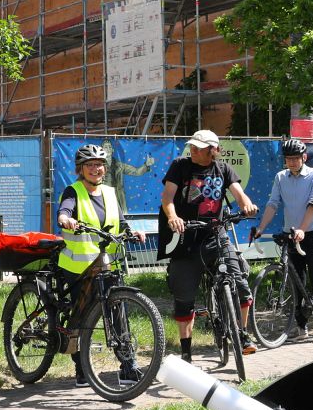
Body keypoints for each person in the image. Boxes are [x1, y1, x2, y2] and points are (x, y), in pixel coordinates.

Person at [159, 130, 259, 361]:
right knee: (184, 296)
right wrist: (173, 217)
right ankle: (186, 352)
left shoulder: (223, 169)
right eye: (192, 146)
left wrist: (248, 205)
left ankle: (242, 334)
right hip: (187, 238)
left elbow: (239, 194)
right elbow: (167, 198)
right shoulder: (180, 166)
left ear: (212, 150)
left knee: (240, 283)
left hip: (216, 235)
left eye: (199, 148)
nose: (193, 150)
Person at [57, 144, 144, 384]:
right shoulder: (72, 191)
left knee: (119, 313)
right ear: (80, 169)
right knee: (82, 317)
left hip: (108, 265)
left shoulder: (109, 192)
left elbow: (121, 220)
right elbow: (64, 212)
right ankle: (81, 369)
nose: (96, 169)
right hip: (79, 268)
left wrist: (133, 232)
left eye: (99, 164)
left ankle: (128, 366)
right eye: (90, 165)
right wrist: (65, 219)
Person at [253, 137, 313, 343]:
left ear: (304, 157)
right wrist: (261, 228)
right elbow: (273, 204)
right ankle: (301, 327)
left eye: (296, 158)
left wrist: (303, 230)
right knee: (296, 282)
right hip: (290, 234)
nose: (292, 162)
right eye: (289, 159)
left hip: (312, 233)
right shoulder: (281, 177)